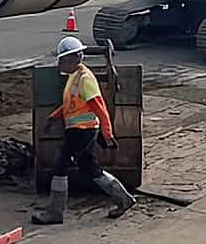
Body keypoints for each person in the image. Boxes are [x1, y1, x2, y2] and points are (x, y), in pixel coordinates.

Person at [32, 36, 137, 225]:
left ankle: (55, 213)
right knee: (90, 168)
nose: (60, 63)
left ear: (75, 58)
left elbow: (99, 107)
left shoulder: (85, 79)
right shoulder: (75, 77)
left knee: (61, 167)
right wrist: (54, 117)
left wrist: (107, 133)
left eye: (62, 59)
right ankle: (124, 199)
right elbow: (71, 104)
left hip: (83, 131)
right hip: (78, 130)